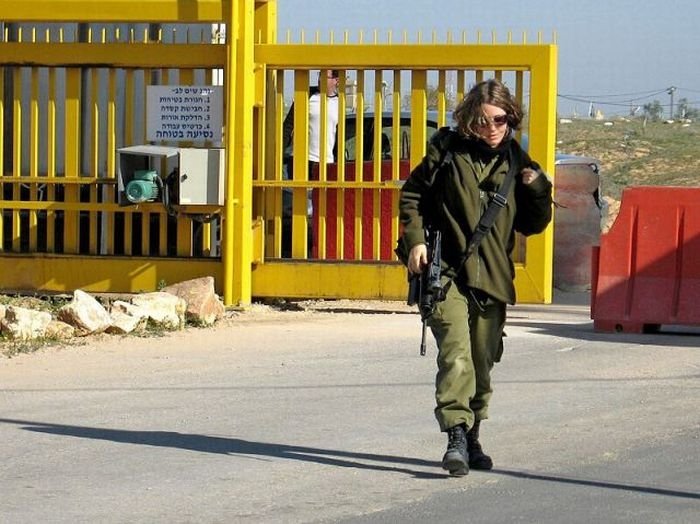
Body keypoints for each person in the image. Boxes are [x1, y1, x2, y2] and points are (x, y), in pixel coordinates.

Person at [398, 78, 553, 477]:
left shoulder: (519, 163)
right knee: (456, 356)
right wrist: (415, 240)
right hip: (446, 272)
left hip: (493, 279)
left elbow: (534, 226)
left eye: (499, 119)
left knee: (482, 364)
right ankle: (455, 435)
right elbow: (412, 195)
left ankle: (473, 434)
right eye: (483, 121)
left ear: (510, 118)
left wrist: (536, 189)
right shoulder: (446, 152)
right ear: (470, 119)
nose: (492, 128)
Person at [281, 69, 340, 257]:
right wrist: (280, 153)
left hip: (327, 164)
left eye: (326, 76)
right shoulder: (306, 96)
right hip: (301, 160)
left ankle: (320, 249)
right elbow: (288, 127)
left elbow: (339, 134)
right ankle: (295, 250)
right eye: (320, 75)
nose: (322, 79)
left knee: (323, 210)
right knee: (296, 209)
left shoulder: (341, 103)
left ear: (336, 81)